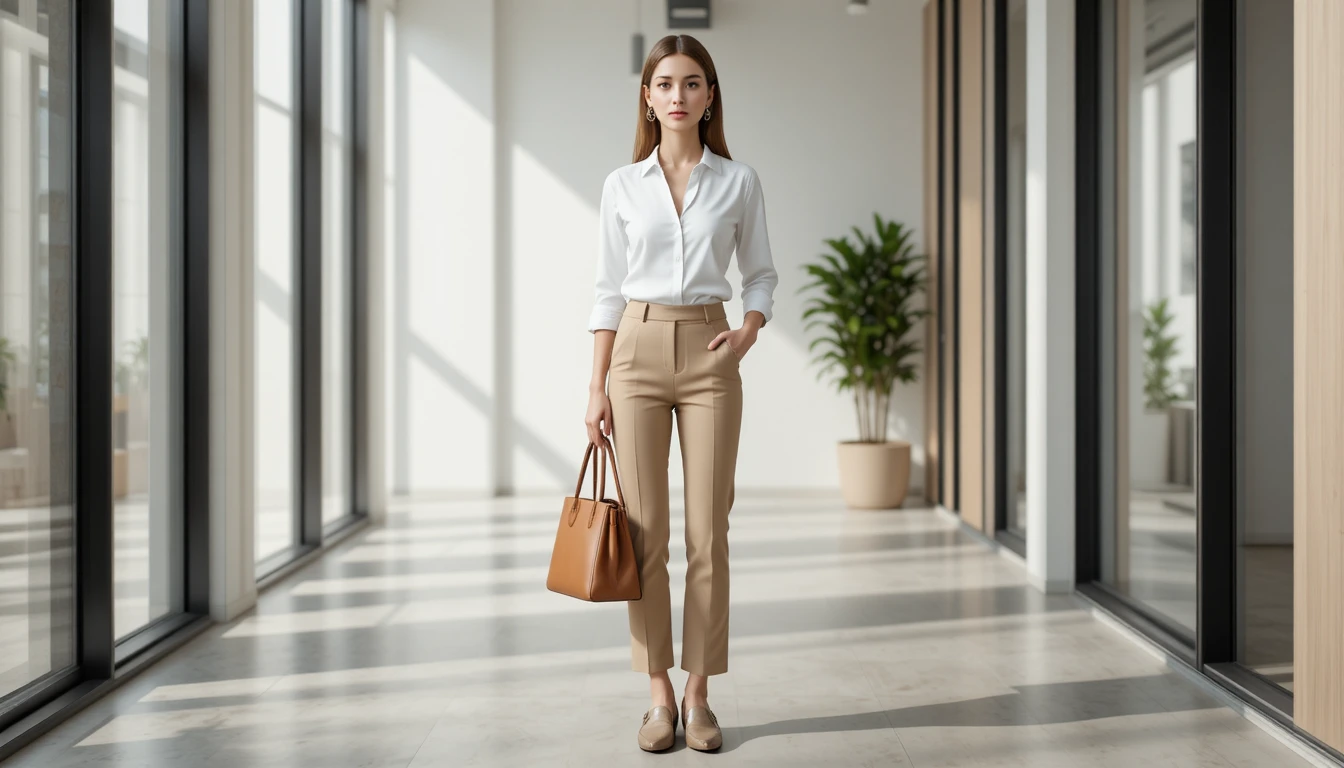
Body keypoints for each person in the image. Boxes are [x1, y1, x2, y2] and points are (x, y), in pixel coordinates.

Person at [583, 33, 779, 753]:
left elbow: (760, 274)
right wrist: (596, 385)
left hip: (709, 347)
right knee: (643, 534)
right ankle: (658, 694)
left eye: (691, 83)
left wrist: (748, 331)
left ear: (710, 96)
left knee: (708, 533)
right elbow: (607, 291)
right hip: (634, 351)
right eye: (665, 84)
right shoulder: (622, 185)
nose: (678, 95)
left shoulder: (739, 181)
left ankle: (699, 694)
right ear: (647, 97)